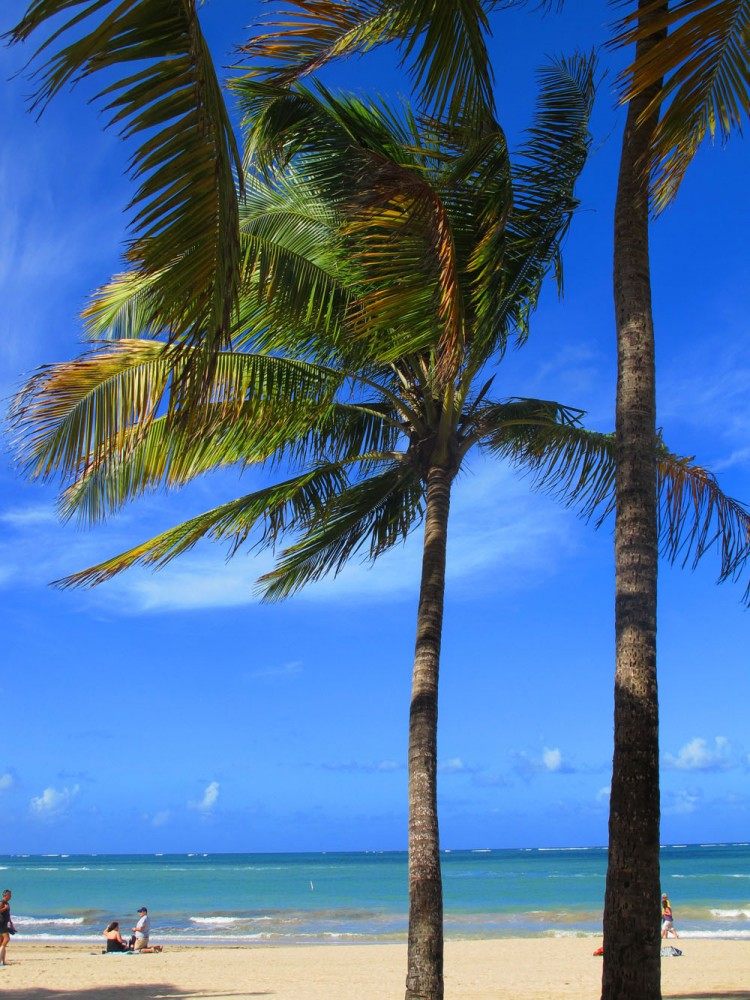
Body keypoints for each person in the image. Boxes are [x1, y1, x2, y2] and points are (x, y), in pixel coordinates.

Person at [0, 889, 13, 967]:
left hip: (4, 923)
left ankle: (3, 961)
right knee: (6, 939)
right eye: (10, 895)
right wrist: (5, 908)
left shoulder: (7, 903)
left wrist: (10, 922)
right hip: (1, 924)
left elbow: (7, 914)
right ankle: (1, 962)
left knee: (1, 942)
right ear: (6, 895)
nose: (11, 896)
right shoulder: (2, 902)